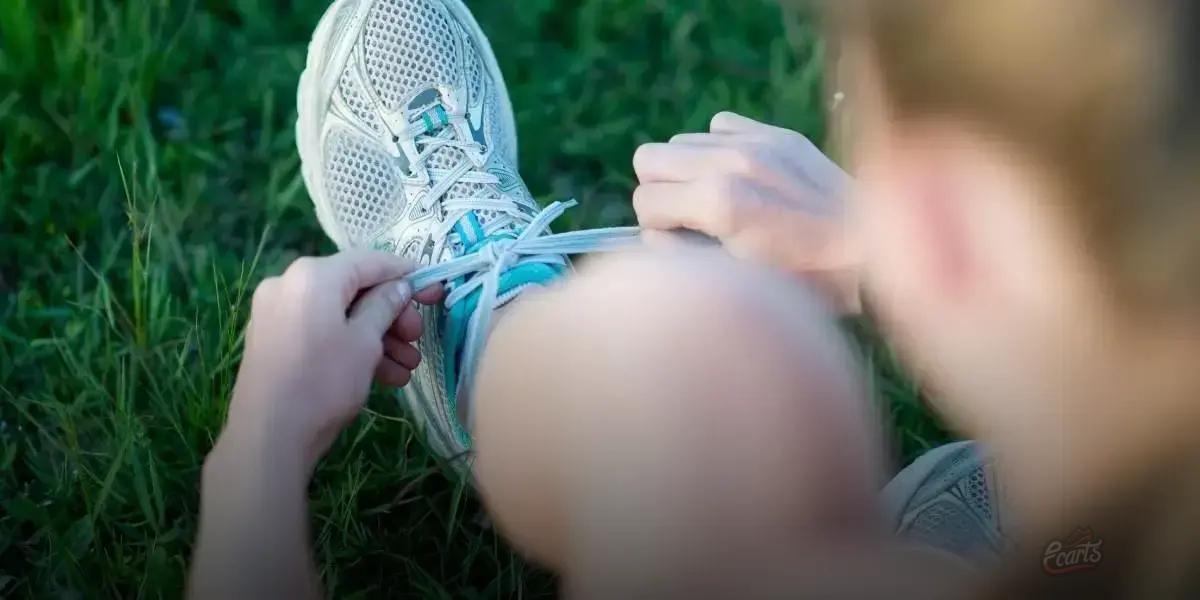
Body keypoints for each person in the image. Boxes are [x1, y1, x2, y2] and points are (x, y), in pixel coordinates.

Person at [189, 0, 1200, 597]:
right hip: (1078, 545)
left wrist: (258, 454)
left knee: (704, 372)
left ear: (941, 221)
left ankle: (494, 343)